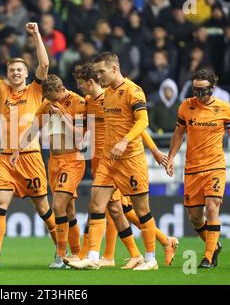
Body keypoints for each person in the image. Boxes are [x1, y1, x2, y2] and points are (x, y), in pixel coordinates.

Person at [72, 63, 178, 267]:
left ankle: (153, 250)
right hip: (105, 160)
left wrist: (153, 149)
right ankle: (94, 258)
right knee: (103, 205)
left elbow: (139, 123)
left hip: (128, 160)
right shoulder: (92, 101)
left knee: (128, 210)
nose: (80, 87)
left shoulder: (128, 92)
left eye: (82, 82)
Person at [0, 21, 56, 267]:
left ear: (26, 73)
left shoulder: (35, 91)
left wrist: (37, 34)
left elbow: (45, 64)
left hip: (30, 156)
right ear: (8, 73)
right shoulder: (1, 90)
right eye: (12, 70)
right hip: (6, 158)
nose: (16, 73)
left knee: (43, 208)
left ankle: (62, 251)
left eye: (20, 70)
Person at [167, 69, 230, 268]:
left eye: (203, 91)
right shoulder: (186, 107)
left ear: (212, 88)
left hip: (215, 166)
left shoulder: (224, 109)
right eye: (195, 91)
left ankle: (208, 257)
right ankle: (213, 244)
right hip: (192, 169)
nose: (199, 96)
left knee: (212, 206)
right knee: (195, 218)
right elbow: (178, 134)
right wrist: (171, 157)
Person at [11, 74, 87, 268]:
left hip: (73, 160)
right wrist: (18, 149)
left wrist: (62, 116)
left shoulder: (78, 102)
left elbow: (80, 140)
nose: (51, 103)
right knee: (69, 210)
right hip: (54, 161)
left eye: (54, 99)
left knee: (58, 206)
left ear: (62, 90)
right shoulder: (46, 104)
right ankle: (77, 254)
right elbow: (33, 129)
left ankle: (60, 255)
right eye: (49, 100)